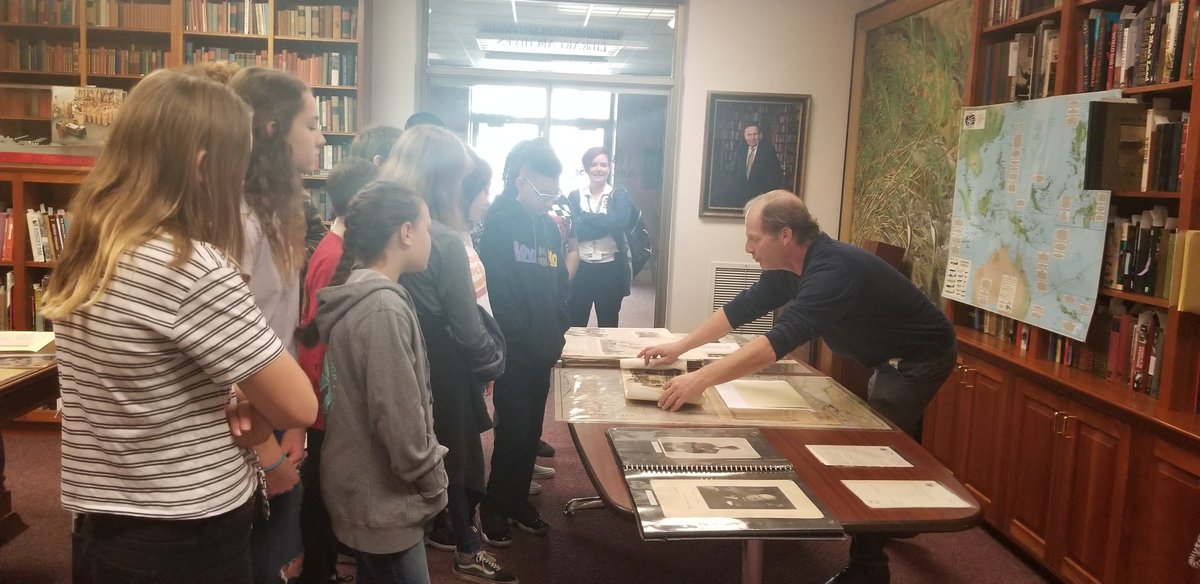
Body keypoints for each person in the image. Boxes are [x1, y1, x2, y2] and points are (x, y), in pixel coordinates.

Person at [44, 69, 317, 583]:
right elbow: (299, 403)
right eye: (236, 167)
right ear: (203, 166)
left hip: (105, 523)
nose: (239, 182)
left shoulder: (90, 248)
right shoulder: (191, 268)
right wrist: (254, 413)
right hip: (188, 535)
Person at [639, 190, 957, 584]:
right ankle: (894, 518)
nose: (747, 247)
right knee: (884, 441)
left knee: (868, 456)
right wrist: (680, 346)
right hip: (885, 354)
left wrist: (700, 379)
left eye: (754, 238)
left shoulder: (831, 271)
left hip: (917, 358)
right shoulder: (790, 269)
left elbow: (776, 341)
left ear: (785, 235)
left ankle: (869, 570)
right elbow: (741, 308)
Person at [379, 126, 517, 583]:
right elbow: (465, 324)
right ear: (445, 179)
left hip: (394, 359)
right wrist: (493, 361)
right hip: (446, 366)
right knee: (457, 458)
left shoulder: (376, 226)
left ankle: (424, 541)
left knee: (404, 452)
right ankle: (466, 547)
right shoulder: (441, 239)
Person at [310, 182, 447, 584]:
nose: (430, 238)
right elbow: (399, 417)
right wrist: (434, 482)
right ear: (405, 233)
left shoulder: (360, 293)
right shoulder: (383, 308)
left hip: (363, 488)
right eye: (426, 228)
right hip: (384, 501)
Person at [230, 65, 326, 584]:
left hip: (276, 414)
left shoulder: (280, 212)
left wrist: (290, 421)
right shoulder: (238, 220)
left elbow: (281, 329)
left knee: (282, 561)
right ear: (272, 130)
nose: (321, 136)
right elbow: (222, 350)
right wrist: (267, 454)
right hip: (242, 435)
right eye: (310, 124)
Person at [477, 138, 570, 546]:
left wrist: (558, 329)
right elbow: (502, 295)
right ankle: (496, 504)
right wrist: (528, 339)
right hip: (514, 351)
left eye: (554, 192)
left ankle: (516, 500)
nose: (549, 200)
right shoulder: (499, 222)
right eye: (543, 191)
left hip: (544, 349)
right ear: (521, 181)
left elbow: (560, 284)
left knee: (530, 428)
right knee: (512, 429)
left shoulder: (549, 226)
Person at [294, 157, 378, 584]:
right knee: (321, 492)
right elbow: (319, 334)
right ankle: (317, 571)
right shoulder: (334, 254)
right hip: (325, 393)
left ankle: (321, 566)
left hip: (324, 391)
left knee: (325, 488)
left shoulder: (335, 246)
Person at [566, 146, 633, 327]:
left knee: (608, 323)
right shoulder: (574, 196)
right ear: (586, 168)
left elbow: (620, 221)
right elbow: (573, 227)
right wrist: (605, 222)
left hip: (610, 268)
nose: (599, 169)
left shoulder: (618, 195)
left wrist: (585, 218)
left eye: (603, 165)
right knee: (575, 322)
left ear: (609, 168)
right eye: (594, 164)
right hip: (581, 267)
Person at [715, 123, 784, 209]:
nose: (752, 138)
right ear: (745, 136)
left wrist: (765, 193)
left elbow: (776, 174)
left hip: (759, 193)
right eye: (749, 135)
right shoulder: (741, 148)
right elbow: (736, 170)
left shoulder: (768, 150)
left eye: (755, 134)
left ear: (760, 135)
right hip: (740, 191)